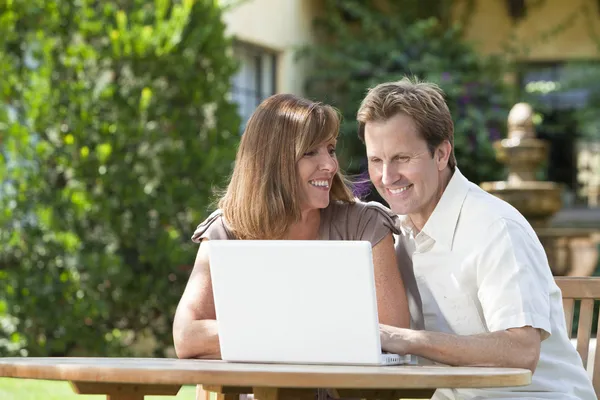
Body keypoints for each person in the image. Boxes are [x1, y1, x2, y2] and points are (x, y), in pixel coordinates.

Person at [356, 77, 596, 399]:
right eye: (376, 160)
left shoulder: (495, 228)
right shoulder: (395, 235)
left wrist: (407, 339)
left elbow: (522, 351)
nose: (387, 177)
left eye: (402, 158)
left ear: (441, 154)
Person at [173, 93, 410, 363]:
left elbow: (395, 336)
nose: (331, 165)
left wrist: (260, 336)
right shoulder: (227, 231)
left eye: (330, 149)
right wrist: (316, 336)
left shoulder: (364, 226)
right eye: (310, 152)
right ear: (273, 162)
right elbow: (187, 336)